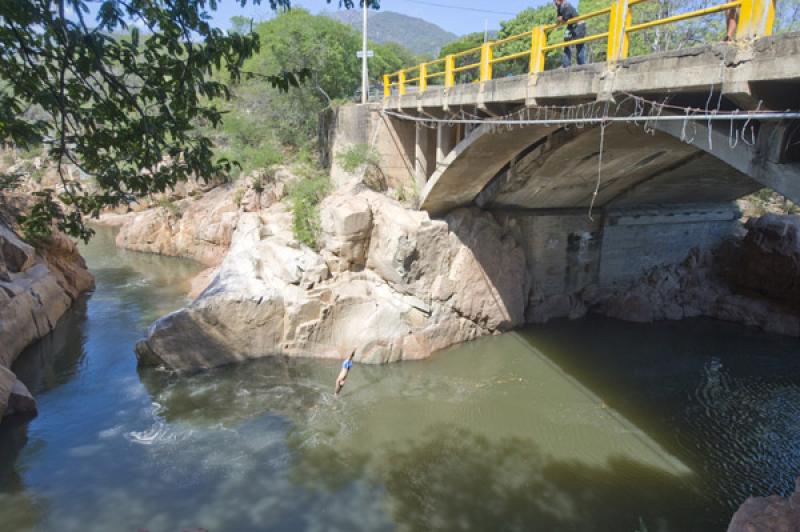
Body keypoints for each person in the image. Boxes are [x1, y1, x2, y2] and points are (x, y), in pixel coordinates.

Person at [554, 0, 587, 68]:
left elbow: (564, 19)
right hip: (570, 26)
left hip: (579, 24)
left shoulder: (567, 5)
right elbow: (558, 20)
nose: (554, 2)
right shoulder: (559, 8)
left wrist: (560, 19)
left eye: (556, 0)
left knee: (579, 45)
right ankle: (566, 64)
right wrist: (559, 20)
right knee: (566, 43)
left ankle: (582, 64)